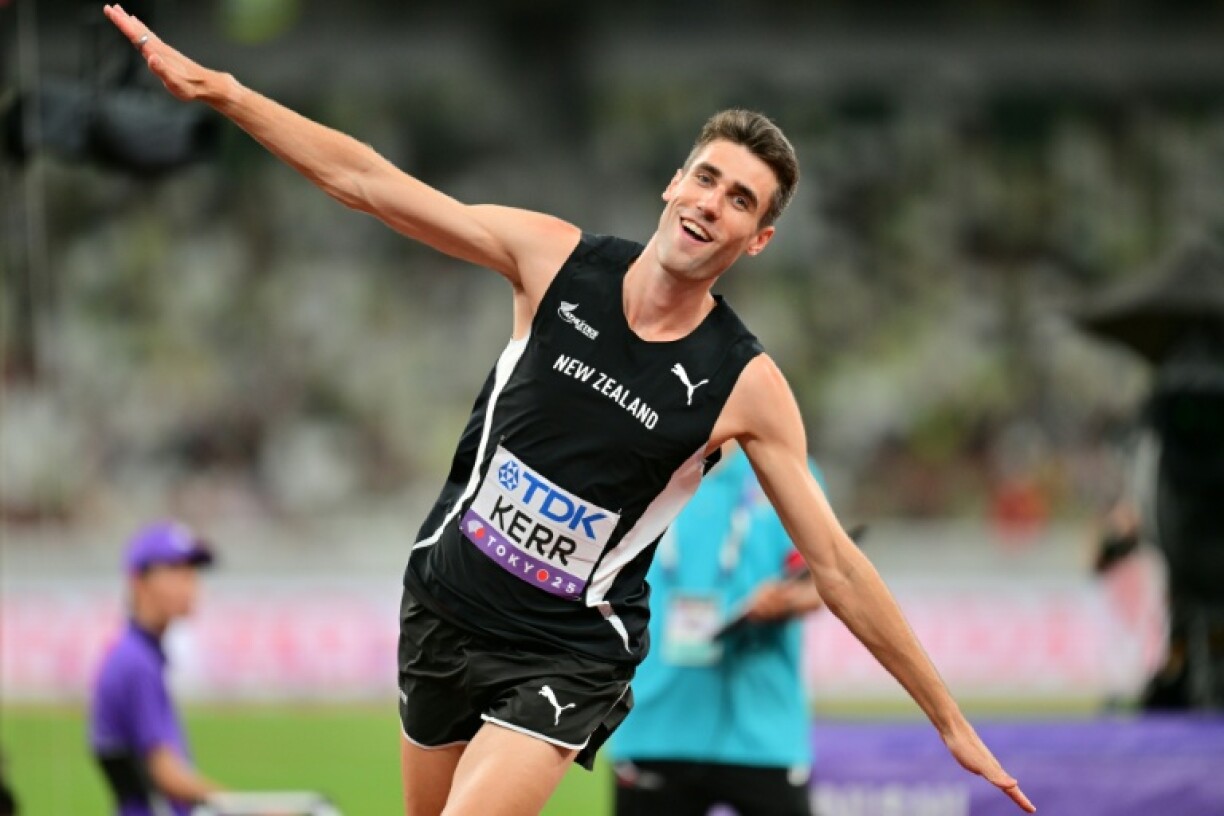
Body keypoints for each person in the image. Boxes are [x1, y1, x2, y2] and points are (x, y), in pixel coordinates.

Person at [101, 7, 1036, 815]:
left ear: (759, 239)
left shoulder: (745, 385)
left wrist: (949, 720)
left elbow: (835, 564)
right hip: (445, 606)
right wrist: (227, 92)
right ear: (674, 183)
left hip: (568, 651)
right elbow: (371, 184)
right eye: (706, 178)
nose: (712, 204)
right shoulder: (555, 261)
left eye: (740, 200)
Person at [610, 445, 826, 816]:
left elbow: (823, 583)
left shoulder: (786, 464)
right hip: (654, 722)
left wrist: (785, 601)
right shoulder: (634, 460)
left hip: (763, 726)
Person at [89, 520, 223, 816]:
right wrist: (241, 807)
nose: (190, 583)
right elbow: (164, 772)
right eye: (176, 570)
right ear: (139, 581)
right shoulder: (136, 662)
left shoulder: (138, 654)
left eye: (192, 572)